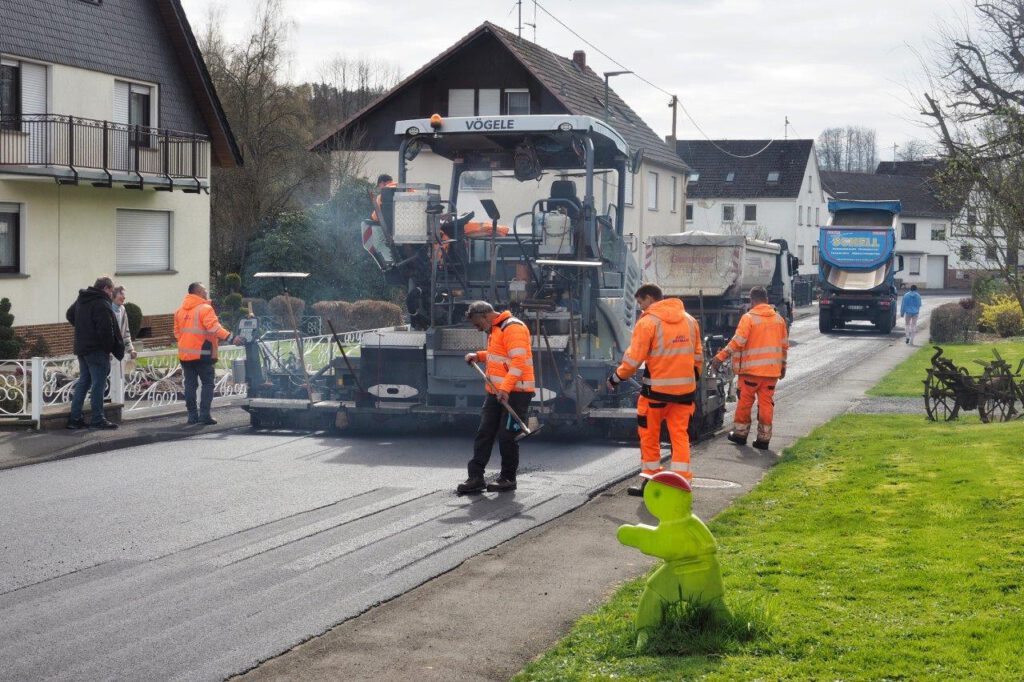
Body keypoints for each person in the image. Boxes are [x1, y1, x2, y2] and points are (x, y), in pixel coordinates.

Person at [607, 284, 703, 496]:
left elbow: (633, 360)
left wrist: (616, 378)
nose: (641, 307)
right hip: (685, 393)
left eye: (641, 302)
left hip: (655, 395)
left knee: (650, 437)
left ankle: (651, 483)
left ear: (649, 299)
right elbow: (698, 356)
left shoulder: (648, 322)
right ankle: (680, 484)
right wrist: (692, 378)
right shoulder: (689, 321)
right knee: (680, 436)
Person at [457, 301, 535, 494]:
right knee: (484, 432)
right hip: (496, 391)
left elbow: (518, 362)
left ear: (485, 316)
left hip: (517, 392)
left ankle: (508, 478)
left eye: (477, 324)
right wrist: (479, 356)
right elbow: (498, 356)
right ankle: (476, 477)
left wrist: (506, 389)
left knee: (507, 436)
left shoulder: (513, 328)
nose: (477, 329)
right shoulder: (496, 329)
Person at [711, 286, 789, 450]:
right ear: (766, 300)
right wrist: (783, 366)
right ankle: (763, 439)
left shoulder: (749, 318)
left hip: (750, 373)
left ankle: (740, 434)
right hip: (771, 373)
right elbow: (784, 347)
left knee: (745, 403)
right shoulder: (779, 320)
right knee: (766, 404)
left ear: (752, 301)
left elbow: (737, 342)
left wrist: (720, 357)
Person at [174, 282, 241, 426]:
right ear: (198, 292)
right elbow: (214, 327)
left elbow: (177, 333)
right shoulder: (205, 309)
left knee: (190, 385)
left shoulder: (179, 311)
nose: (206, 293)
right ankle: (204, 415)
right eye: (204, 290)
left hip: (185, 356)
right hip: (203, 354)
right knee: (208, 384)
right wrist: (230, 337)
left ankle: (192, 416)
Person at [65, 276, 125, 429]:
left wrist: (83, 329)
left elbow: (69, 314)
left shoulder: (82, 298)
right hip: (97, 350)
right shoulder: (101, 303)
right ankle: (97, 419)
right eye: (111, 291)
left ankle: (75, 419)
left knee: (84, 382)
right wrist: (108, 348)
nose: (112, 294)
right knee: (99, 383)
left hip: (82, 347)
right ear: (106, 288)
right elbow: (106, 330)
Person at [111, 286, 138, 361]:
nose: (124, 297)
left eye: (124, 295)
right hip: (107, 354)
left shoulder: (123, 310)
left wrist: (131, 350)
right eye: (121, 294)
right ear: (113, 296)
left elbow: (126, 333)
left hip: (119, 351)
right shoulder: (106, 309)